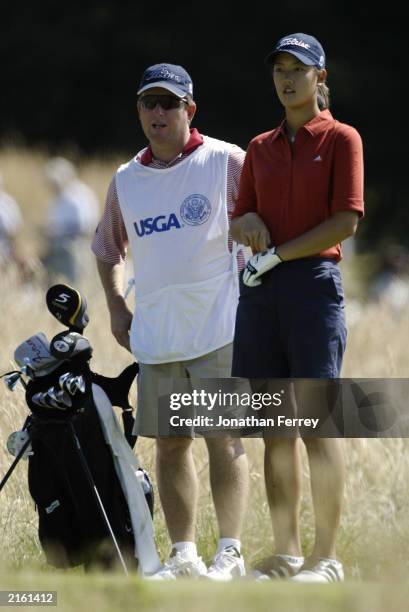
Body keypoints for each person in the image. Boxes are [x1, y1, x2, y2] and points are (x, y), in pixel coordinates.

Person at [92, 63, 249, 580]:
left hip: (219, 325)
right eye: (148, 103)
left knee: (223, 439)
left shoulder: (225, 161)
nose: (158, 113)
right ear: (139, 110)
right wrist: (117, 307)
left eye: (169, 103)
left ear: (190, 110)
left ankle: (229, 551)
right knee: (172, 444)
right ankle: (184, 554)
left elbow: (263, 222)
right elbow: (107, 247)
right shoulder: (126, 179)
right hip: (158, 335)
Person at [230, 33, 364, 582]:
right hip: (262, 293)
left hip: (312, 287)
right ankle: (286, 553)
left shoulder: (340, 139)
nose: (287, 79)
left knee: (318, 425)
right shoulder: (259, 147)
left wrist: (280, 251)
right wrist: (250, 225)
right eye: (280, 69)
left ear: (320, 78)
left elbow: (345, 222)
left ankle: (326, 557)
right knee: (274, 427)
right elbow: (240, 217)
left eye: (299, 70)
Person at [42, 156, 99, 285]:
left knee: (75, 284)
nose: (52, 187)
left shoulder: (78, 196)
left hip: (75, 249)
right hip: (59, 249)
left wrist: (58, 231)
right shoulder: (62, 196)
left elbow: (85, 225)